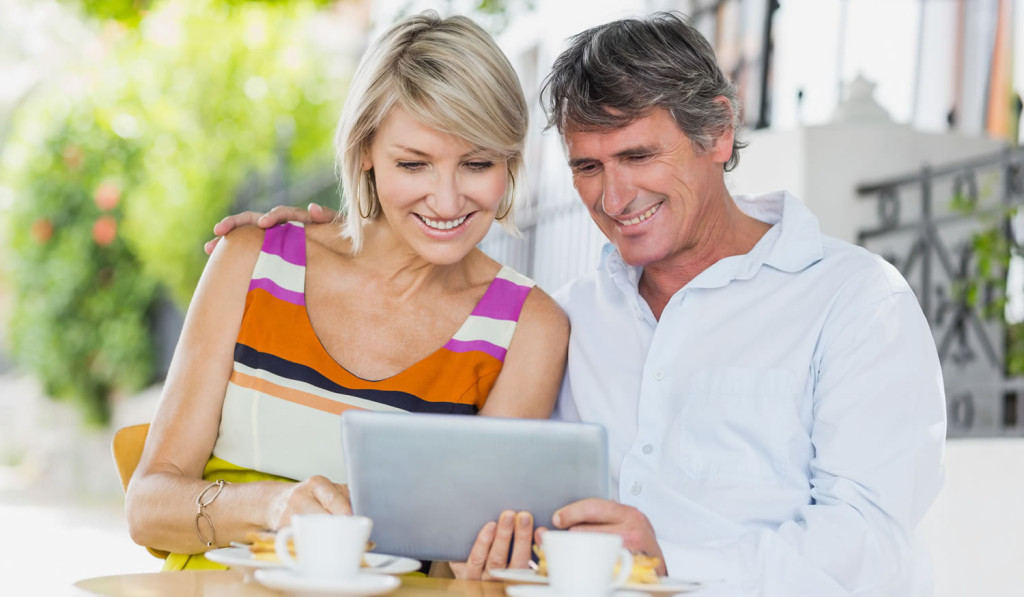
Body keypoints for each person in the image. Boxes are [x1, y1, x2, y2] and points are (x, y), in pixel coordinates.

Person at [210, 11, 946, 595]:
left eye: (638, 156)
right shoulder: (564, 318)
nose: (614, 196)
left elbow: (872, 542)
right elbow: (490, 510)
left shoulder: (854, 300)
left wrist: (667, 558)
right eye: (588, 167)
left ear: (719, 131)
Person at [126, 11, 567, 572]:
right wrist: (271, 504)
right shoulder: (252, 261)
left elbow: (468, 564)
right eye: (414, 164)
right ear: (365, 151)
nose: (448, 200)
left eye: (477, 164)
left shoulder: (528, 327)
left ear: (509, 161)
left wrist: (483, 560)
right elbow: (147, 506)